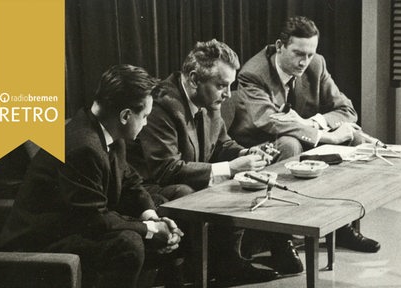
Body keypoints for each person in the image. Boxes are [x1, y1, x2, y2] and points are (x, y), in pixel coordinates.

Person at [129, 39, 304, 283]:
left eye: (230, 85)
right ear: (193, 78)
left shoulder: (209, 99)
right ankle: (209, 267)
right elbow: (166, 169)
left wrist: (246, 154)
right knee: (189, 190)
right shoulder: (162, 105)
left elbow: (222, 144)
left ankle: (228, 263)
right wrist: (230, 168)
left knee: (242, 178)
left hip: (182, 179)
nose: (228, 94)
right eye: (222, 85)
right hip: (150, 188)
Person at [0, 64, 184, 288]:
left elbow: (129, 181)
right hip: (38, 246)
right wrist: (151, 231)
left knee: (158, 206)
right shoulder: (83, 147)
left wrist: (151, 217)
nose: (145, 123)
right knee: (129, 244)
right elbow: (95, 219)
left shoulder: (106, 131)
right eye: (144, 116)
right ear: (125, 115)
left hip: (71, 230)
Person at [229, 16, 380, 253]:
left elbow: (347, 110)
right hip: (258, 143)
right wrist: (326, 136)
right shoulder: (253, 73)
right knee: (289, 145)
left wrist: (313, 122)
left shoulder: (316, 64)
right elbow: (267, 121)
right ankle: (282, 239)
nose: (304, 62)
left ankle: (342, 226)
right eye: (298, 53)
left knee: (355, 138)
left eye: (309, 54)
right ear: (280, 47)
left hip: (301, 135)